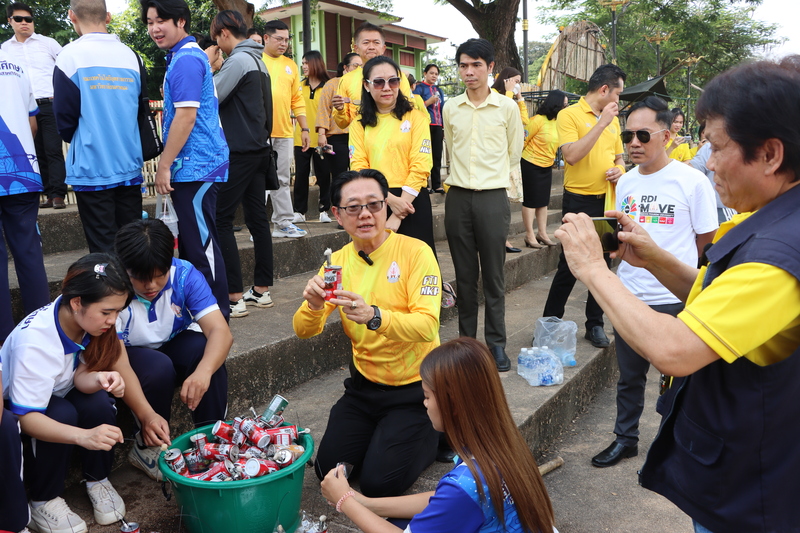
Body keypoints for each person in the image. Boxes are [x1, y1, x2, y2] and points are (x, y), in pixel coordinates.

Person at [555, 55, 800, 532]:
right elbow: (719, 294)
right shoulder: (770, 218)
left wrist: (591, 269)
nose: (708, 163)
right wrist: (656, 258)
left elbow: (676, 350)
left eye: (716, 146)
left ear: (770, 154)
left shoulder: (780, 250)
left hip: (754, 488)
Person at [294, 169, 441, 497]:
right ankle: (382, 433)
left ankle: (437, 432)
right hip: (364, 389)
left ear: (386, 207)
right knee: (326, 471)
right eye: (353, 207)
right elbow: (303, 331)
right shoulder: (337, 263)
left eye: (374, 205)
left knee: (379, 484)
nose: (365, 214)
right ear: (337, 214)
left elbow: (427, 325)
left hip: (415, 389)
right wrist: (314, 305)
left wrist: (375, 317)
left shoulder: (416, 253)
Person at [589, 96, 718, 469]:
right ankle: (625, 439)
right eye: (628, 135)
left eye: (642, 135)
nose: (633, 143)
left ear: (665, 134)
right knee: (629, 378)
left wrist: (673, 272)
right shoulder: (626, 183)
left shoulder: (692, 181)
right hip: (631, 295)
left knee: (677, 380)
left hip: (675, 298)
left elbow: (705, 241)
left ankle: (671, 443)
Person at [320, 337, 557, 533]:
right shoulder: (501, 442)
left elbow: (454, 498)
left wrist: (345, 500)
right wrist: (365, 503)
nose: (424, 404)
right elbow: (440, 501)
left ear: (452, 404)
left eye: (427, 396)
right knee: (393, 521)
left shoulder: (466, 485)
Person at [2, 253, 133, 531]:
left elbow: (79, 374)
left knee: (98, 402)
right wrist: (82, 436)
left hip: (60, 388)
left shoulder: (92, 320)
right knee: (62, 412)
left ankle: (98, 479)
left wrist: (101, 377)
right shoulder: (35, 343)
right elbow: (25, 417)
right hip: (27, 405)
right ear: (77, 303)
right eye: (107, 312)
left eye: (118, 311)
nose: (113, 320)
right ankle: (43, 501)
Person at [114, 218, 232, 481]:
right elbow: (118, 361)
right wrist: (146, 415)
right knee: (158, 367)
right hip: (128, 354)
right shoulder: (111, 288)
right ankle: (148, 447)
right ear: (125, 268)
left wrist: (203, 372)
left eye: (159, 276)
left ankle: (212, 441)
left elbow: (220, 332)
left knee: (206, 351)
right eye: (141, 279)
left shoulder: (185, 274)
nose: (152, 286)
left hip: (171, 341)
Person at [142, 0, 231, 320]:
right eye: (150, 22)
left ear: (181, 21)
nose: (154, 28)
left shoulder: (187, 59)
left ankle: (215, 318)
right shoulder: (186, 57)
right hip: (194, 166)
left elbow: (186, 116)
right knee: (197, 245)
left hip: (197, 166)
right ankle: (206, 314)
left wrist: (164, 165)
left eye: (161, 20)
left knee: (200, 248)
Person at [443, 38, 523, 371]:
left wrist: (496, 184)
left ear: (491, 68)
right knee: (463, 277)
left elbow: (513, 152)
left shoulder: (507, 108)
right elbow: (449, 148)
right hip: (458, 197)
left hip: (492, 197)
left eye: (476, 65)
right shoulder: (451, 108)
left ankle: (496, 345)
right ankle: (466, 345)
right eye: (463, 65)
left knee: (493, 276)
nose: (469, 71)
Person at [541, 63, 626, 349]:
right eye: (618, 93)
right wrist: (601, 122)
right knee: (569, 265)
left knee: (604, 263)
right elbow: (573, 156)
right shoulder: (569, 115)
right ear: (604, 90)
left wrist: (620, 169)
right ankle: (550, 324)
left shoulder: (614, 119)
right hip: (578, 201)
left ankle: (595, 324)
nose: (619, 100)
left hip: (607, 199)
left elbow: (619, 157)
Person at [53, 0, 144, 254]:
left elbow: (64, 119)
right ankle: (138, 294)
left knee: (104, 249)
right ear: (108, 16)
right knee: (134, 246)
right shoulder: (130, 55)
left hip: (92, 167)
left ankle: (112, 295)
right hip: (128, 164)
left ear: (72, 16)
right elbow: (139, 108)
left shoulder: (69, 56)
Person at [209, 10, 276, 318]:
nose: (216, 45)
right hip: (260, 149)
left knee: (221, 219)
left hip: (240, 152)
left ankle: (233, 296)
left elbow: (210, 97)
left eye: (216, 39)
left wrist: (210, 66)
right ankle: (261, 290)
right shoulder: (259, 60)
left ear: (225, 33)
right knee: (258, 220)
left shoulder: (237, 60)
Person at [349, 56, 435, 254]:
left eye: (393, 81)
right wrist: (389, 200)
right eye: (379, 82)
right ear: (367, 85)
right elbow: (359, 168)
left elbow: (421, 165)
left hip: (413, 201)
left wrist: (398, 211)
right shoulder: (359, 124)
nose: (387, 87)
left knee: (418, 269)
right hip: (374, 204)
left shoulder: (417, 118)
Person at [0, 48, 50, 344]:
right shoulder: (16, 66)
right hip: (22, 170)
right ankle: (40, 333)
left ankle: (4, 341)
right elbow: (32, 122)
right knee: (29, 254)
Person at [2, 2, 67, 210]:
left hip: (50, 103)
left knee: (53, 149)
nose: (24, 23)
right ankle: (47, 193)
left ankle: (58, 194)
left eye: (28, 19)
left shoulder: (48, 43)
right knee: (34, 151)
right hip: (21, 109)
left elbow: (67, 68)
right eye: (19, 19)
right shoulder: (5, 50)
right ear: (9, 21)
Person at [261, 20, 310, 238]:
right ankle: (258, 226)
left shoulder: (291, 65)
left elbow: (297, 100)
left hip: (284, 132)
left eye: (286, 39)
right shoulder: (254, 60)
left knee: (281, 179)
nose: (284, 43)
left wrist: (305, 128)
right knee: (257, 180)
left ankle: (283, 223)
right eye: (279, 39)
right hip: (258, 133)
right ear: (266, 38)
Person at [332, 22, 413, 130]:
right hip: (361, 140)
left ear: (383, 48)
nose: (371, 47)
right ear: (356, 48)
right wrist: (340, 110)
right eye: (366, 43)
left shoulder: (399, 76)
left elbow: (411, 110)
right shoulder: (347, 80)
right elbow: (342, 124)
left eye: (376, 42)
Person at [520, 90, 567, 249]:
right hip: (530, 164)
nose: (566, 108)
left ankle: (542, 233)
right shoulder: (538, 120)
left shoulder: (559, 123)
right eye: (564, 105)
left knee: (543, 202)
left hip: (547, 165)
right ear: (556, 105)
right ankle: (529, 235)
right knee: (531, 201)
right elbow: (523, 140)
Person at [293, 50, 333, 223]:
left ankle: (324, 209)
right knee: (301, 175)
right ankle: (299, 212)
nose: (303, 66)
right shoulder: (299, 85)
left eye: (306, 63)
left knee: (324, 175)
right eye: (302, 63)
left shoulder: (329, 86)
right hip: (300, 138)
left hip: (322, 138)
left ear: (316, 64)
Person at [316, 52, 361, 181]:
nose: (359, 69)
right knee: (339, 175)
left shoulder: (364, 85)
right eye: (355, 65)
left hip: (358, 136)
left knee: (359, 174)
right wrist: (321, 133)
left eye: (361, 66)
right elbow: (323, 109)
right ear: (345, 68)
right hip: (337, 137)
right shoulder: (332, 84)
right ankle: (337, 200)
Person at [413, 63, 445, 193]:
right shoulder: (419, 88)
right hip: (424, 125)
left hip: (438, 126)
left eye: (436, 74)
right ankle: (424, 184)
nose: (434, 76)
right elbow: (415, 107)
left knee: (437, 156)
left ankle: (436, 184)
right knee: (424, 154)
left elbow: (442, 109)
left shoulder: (439, 90)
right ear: (425, 74)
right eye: (431, 73)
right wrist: (428, 103)